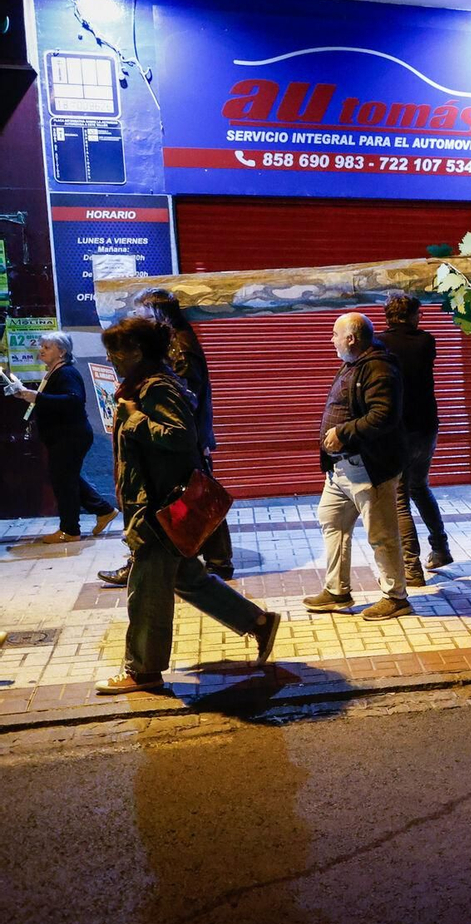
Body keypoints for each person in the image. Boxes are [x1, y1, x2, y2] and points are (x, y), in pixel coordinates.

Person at [92, 315, 278, 695]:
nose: (110, 358)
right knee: (187, 578)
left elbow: (181, 436)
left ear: (136, 351)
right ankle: (258, 623)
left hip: (158, 509)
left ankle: (143, 671)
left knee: (146, 591)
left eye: (115, 351)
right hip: (155, 505)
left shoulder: (156, 387)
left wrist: (135, 419)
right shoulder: (143, 384)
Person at [99, 290, 233, 584]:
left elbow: (184, 409)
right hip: (167, 467)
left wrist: (136, 419)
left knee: (196, 499)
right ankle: (214, 565)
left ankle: (218, 562)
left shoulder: (173, 357)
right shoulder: (161, 360)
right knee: (187, 571)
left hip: (169, 468)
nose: (139, 319)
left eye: (142, 314)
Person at [302, 312, 412, 621]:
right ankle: (337, 591)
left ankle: (396, 597)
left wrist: (342, 433)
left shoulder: (379, 368)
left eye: (335, 335)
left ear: (351, 338)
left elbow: (383, 415)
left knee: (381, 534)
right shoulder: (353, 365)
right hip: (340, 470)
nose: (331, 340)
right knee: (332, 520)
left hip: (369, 468)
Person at [5, 331, 117, 544]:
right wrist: (29, 396)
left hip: (70, 435)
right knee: (66, 478)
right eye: (42, 346)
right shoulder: (54, 373)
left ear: (62, 352)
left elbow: (73, 400)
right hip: (63, 436)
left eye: (47, 347)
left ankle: (70, 530)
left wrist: (38, 397)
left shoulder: (66, 373)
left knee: (64, 482)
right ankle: (103, 510)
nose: (41, 350)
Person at [381, 293, 453, 585]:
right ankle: (440, 548)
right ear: (412, 315)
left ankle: (411, 568)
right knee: (420, 487)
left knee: (400, 498)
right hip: (427, 426)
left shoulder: (380, 343)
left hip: (399, 430)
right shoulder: (426, 341)